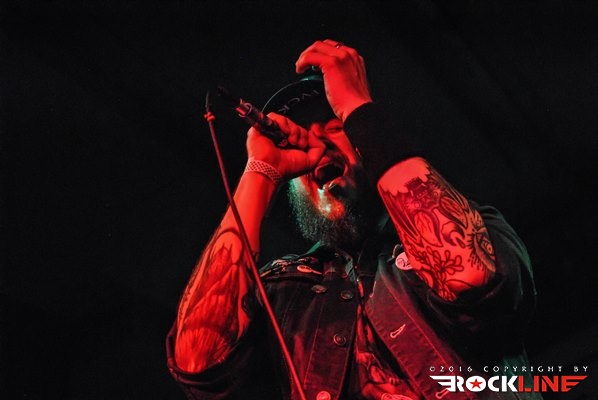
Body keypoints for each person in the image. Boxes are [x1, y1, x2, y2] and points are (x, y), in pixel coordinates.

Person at [166, 39, 540, 400]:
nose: (319, 143)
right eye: (303, 138)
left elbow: (472, 277)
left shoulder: (474, 224)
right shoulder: (281, 289)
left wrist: (357, 107)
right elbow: (199, 361)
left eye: (334, 127)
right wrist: (260, 171)